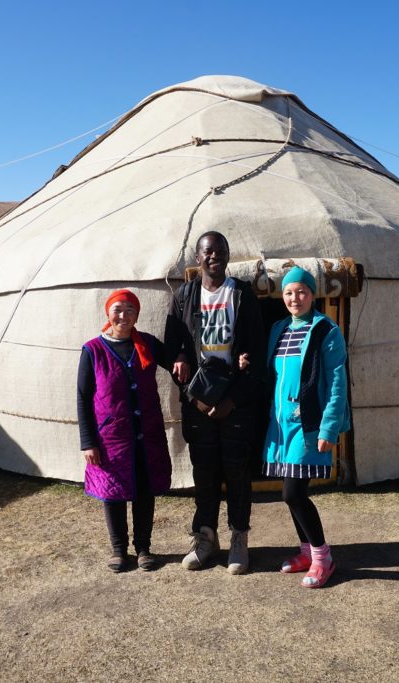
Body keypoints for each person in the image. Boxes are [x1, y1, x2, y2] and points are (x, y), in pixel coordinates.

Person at [164, 231, 266, 574]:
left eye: (220, 251)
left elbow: (258, 352)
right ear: (198, 257)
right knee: (204, 471)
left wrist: (233, 400)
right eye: (208, 252)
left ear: (227, 255)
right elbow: (173, 345)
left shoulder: (242, 295)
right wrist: (182, 363)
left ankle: (239, 537)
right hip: (198, 399)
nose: (214, 257)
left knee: (237, 470)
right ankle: (205, 537)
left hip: (235, 397)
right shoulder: (184, 296)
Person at [263, 266, 350, 588]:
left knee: (293, 492)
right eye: (288, 292)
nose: (294, 298)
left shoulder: (326, 330)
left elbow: (338, 381)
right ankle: (306, 553)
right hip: (280, 422)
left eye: (301, 291)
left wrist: (329, 427)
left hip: (308, 422)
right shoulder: (279, 329)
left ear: (313, 295)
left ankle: (323, 557)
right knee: (290, 494)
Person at [78, 289, 174, 572]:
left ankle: (144, 548)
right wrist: (88, 441)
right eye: (118, 309)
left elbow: (176, 359)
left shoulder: (147, 344)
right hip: (111, 438)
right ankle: (119, 549)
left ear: (137, 315)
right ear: (108, 313)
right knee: (113, 493)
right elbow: (83, 397)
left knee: (145, 490)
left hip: (147, 434)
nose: (123, 315)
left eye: (130, 310)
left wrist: (180, 359)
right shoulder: (92, 350)